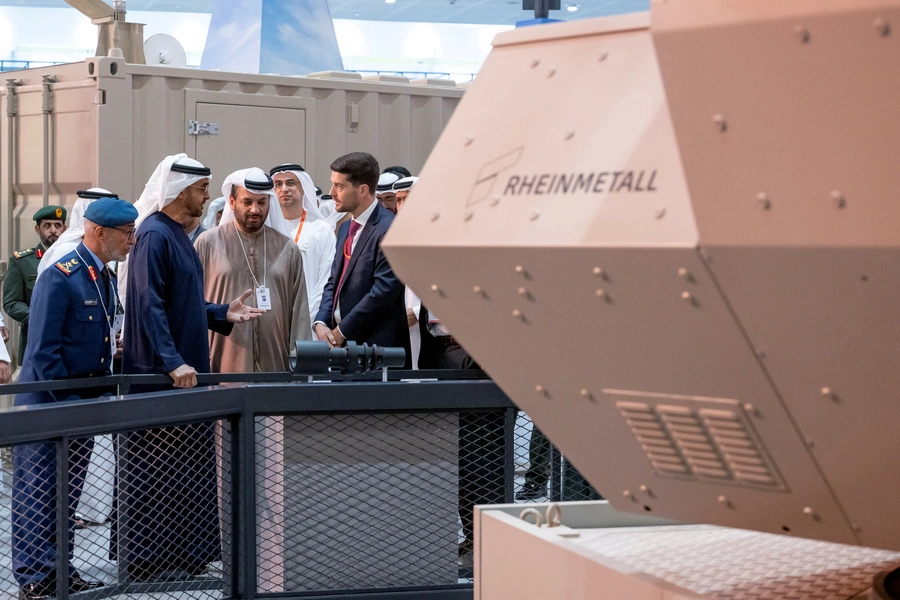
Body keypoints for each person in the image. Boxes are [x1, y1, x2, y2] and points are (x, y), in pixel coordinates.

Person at [114, 154, 263, 582]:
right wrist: (172, 360)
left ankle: (186, 553)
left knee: (187, 468)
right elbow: (148, 303)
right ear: (181, 191)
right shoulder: (154, 235)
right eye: (201, 189)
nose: (205, 196)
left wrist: (221, 313)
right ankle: (147, 560)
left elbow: (180, 302)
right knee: (157, 470)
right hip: (164, 376)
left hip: (185, 374)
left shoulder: (177, 235)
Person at [11, 197, 137, 600]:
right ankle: (34, 577)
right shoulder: (61, 275)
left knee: (65, 495)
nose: (132, 240)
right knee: (39, 493)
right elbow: (42, 351)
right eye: (126, 233)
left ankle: (59, 570)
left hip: (79, 403)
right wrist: (64, 408)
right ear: (100, 232)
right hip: (51, 404)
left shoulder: (101, 276)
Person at [196, 167, 312, 372]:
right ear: (232, 203)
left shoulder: (287, 247)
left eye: (261, 202)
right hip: (221, 363)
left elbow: (299, 311)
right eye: (247, 202)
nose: (255, 210)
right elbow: (193, 304)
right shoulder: (208, 243)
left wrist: (301, 365)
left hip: (275, 363)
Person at [418, 312, 505, 569]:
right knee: (459, 457)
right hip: (440, 351)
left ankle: (489, 544)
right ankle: (473, 538)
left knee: (480, 455)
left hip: (469, 352)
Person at [313, 152, 410, 364]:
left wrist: (342, 332)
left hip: (377, 349)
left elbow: (382, 292)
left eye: (339, 186)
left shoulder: (390, 229)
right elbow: (334, 282)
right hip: (341, 348)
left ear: (363, 189)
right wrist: (321, 321)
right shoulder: (346, 227)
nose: (332, 193)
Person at [269, 163, 336, 323]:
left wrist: (306, 316)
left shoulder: (321, 229)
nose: (284, 189)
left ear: (304, 187)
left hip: (310, 320)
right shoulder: (266, 228)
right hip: (271, 320)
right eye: (278, 184)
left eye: (290, 183)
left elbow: (326, 281)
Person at [3, 205, 67, 363]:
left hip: (67, 342)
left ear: (65, 229)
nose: (53, 230)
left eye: (57, 225)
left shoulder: (72, 258)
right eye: (47, 225)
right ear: (37, 229)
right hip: (34, 340)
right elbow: (11, 303)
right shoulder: (23, 262)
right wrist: (40, 316)